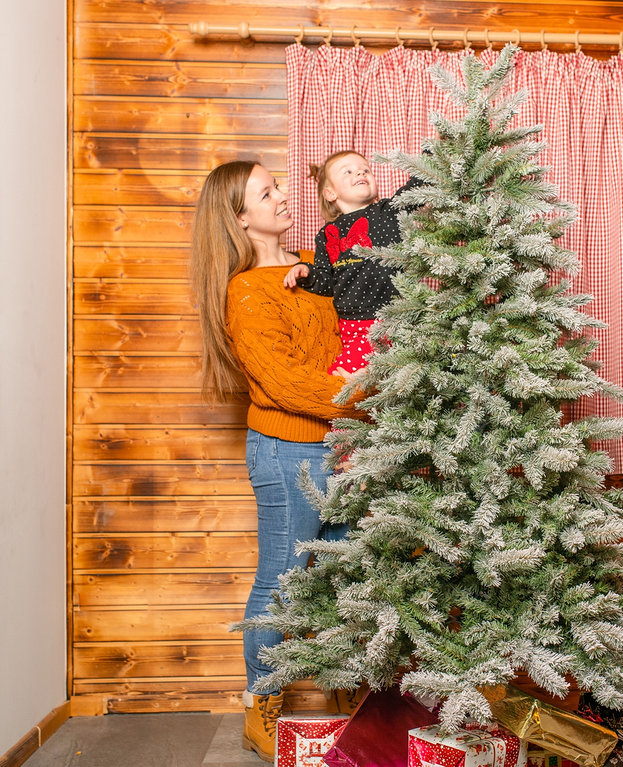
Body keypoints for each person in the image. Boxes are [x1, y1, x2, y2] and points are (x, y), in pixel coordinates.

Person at [190, 160, 362, 763]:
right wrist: (371, 396)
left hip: (341, 447)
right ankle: (260, 709)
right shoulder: (246, 292)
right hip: (290, 452)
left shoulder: (309, 272)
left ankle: (351, 707)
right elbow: (288, 383)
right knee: (283, 583)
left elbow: (347, 339)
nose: (284, 196)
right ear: (241, 218)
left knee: (345, 579)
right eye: (268, 193)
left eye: (279, 186)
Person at [284, 150, 423, 375]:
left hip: (401, 316)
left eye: (365, 169)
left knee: (404, 377)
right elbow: (327, 282)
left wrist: (432, 151)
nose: (360, 171)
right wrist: (307, 273)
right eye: (348, 171)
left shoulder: (388, 212)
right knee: (343, 379)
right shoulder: (327, 234)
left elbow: (415, 189)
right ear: (330, 193)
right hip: (357, 324)